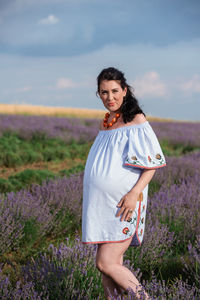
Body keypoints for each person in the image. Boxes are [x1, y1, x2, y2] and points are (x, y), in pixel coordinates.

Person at [81, 67, 166, 299]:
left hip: (123, 203)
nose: (110, 97)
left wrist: (134, 194)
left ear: (125, 90)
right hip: (100, 205)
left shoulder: (135, 120)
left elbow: (152, 164)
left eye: (115, 91)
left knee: (105, 262)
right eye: (104, 92)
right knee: (110, 267)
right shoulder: (107, 121)